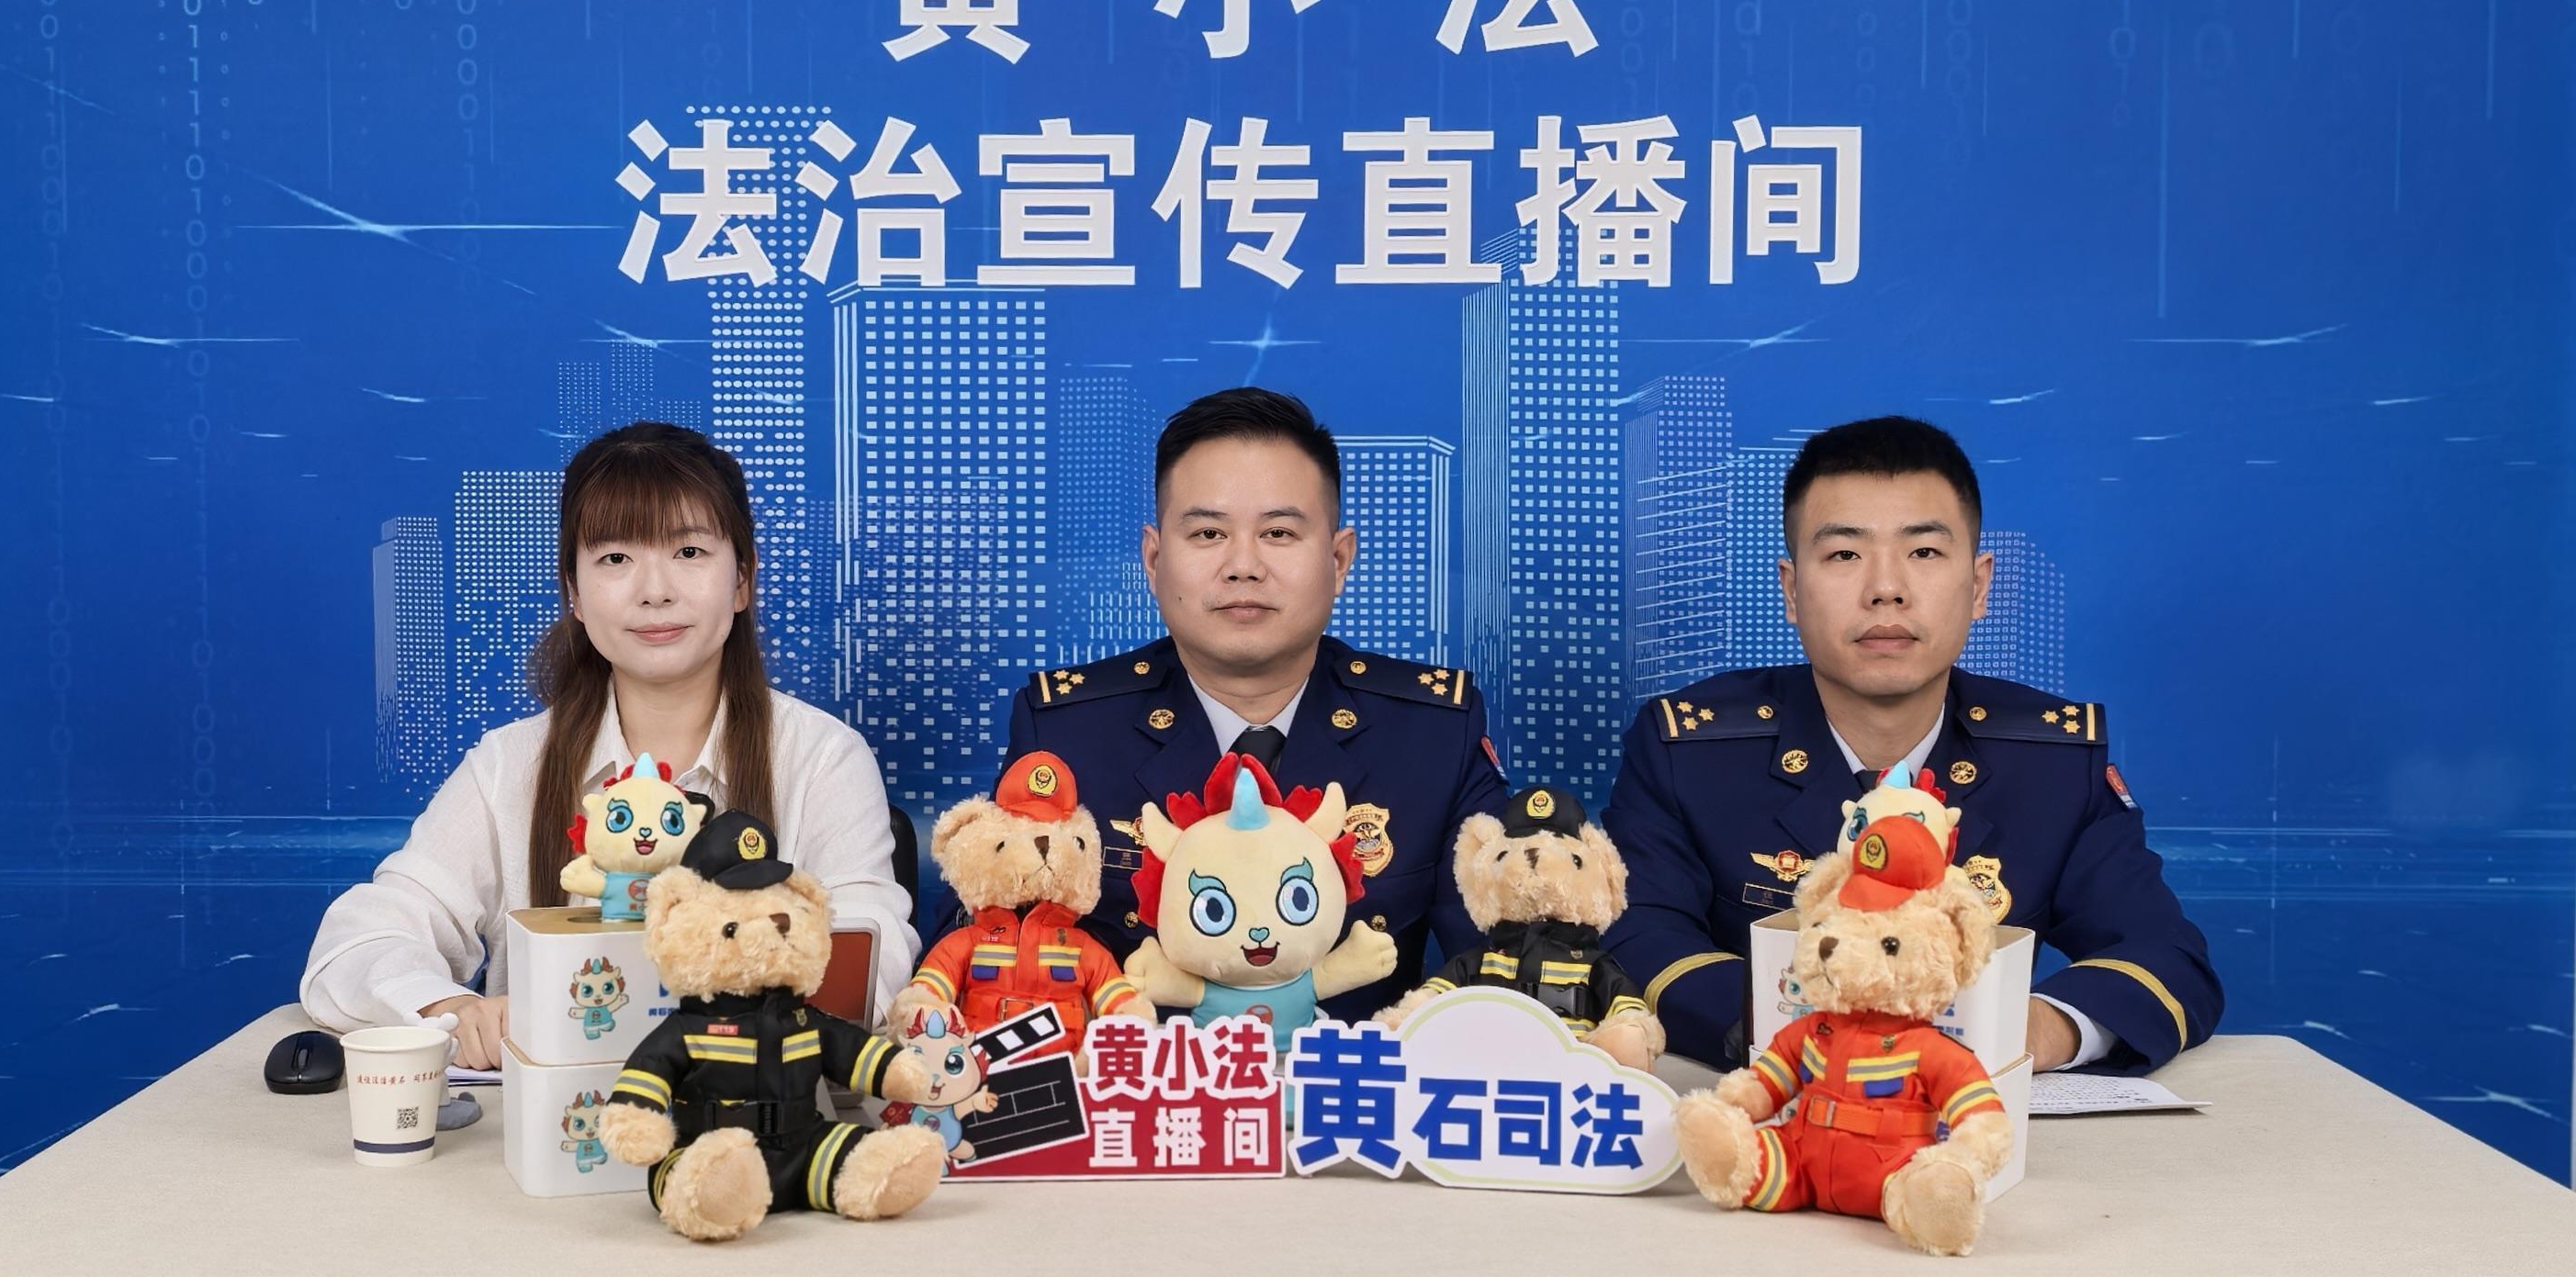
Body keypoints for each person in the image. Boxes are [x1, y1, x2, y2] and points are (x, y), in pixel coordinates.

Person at [1603, 415, 2221, 1073]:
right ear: (1791, 590)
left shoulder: (2054, 764)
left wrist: (2026, 1029)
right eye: (1844, 554)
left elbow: (2164, 957)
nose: (1885, 589)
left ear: (1978, 585)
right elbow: (1637, 936)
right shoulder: (1689, 753)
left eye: (1923, 552)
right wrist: (1806, 1032)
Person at [300, 422, 917, 1067]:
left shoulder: (821, 758)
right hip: (556, 1122)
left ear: (742, 579)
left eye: (689, 551)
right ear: (573, 591)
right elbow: (358, 942)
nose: (655, 590)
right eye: (616, 558)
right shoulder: (509, 767)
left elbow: (872, 954)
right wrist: (444, 1007)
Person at [942, 387, 1508, 1024]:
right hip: (1139, 1082)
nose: (1243, 565)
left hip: (1348, 1081)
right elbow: (985, 957)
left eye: (1278, 532)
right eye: (1208, 532)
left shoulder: (1431, 734)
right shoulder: (1068, 731)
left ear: (1339, 559)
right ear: (1154, 560)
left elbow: (1503, 964)